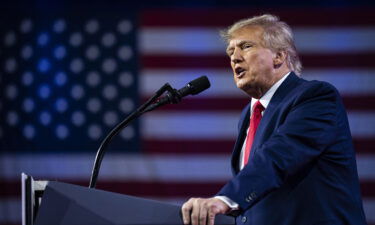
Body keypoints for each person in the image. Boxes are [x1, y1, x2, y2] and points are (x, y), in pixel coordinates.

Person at [181, 14, 367, 225]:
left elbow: (280, 154)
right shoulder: (248, 115)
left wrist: (226, 199)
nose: (234, 58)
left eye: (246, 46)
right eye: (231, 51)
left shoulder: (315, 97)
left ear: (279, 56)